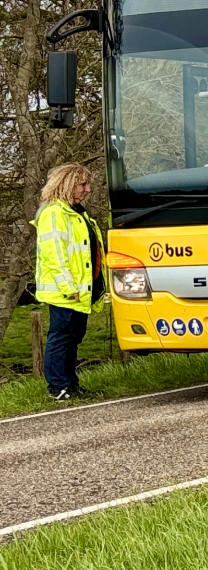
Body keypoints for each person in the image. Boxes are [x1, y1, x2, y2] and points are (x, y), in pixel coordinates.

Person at [34, 163, 103, 400]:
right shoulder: (54, 214)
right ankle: (57, 387)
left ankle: (70, 385)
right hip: (66, 291)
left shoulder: (76, 213)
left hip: (79, 290)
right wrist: (67, 287)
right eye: (82, 184)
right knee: (61, 338)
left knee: (72, 339)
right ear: (66, 184)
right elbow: (54, 255)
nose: (88, 189)